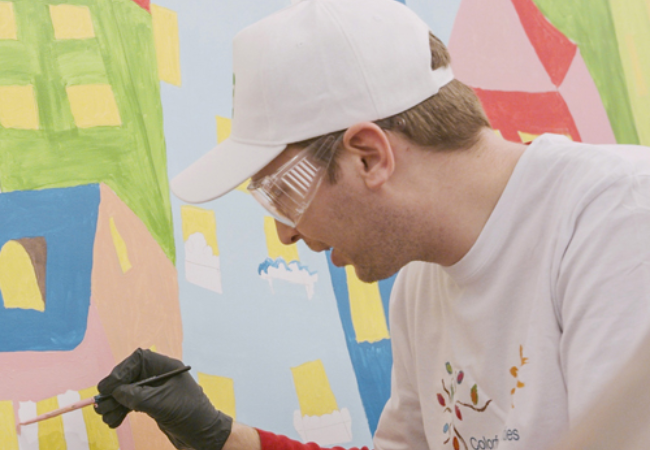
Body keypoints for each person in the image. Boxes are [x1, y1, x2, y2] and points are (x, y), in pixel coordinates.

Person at [94, 0, 650, 449]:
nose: (285, 233)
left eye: (283, 192)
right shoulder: (420, 284)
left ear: (368, 155)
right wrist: (223, 438)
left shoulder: (618, 219)